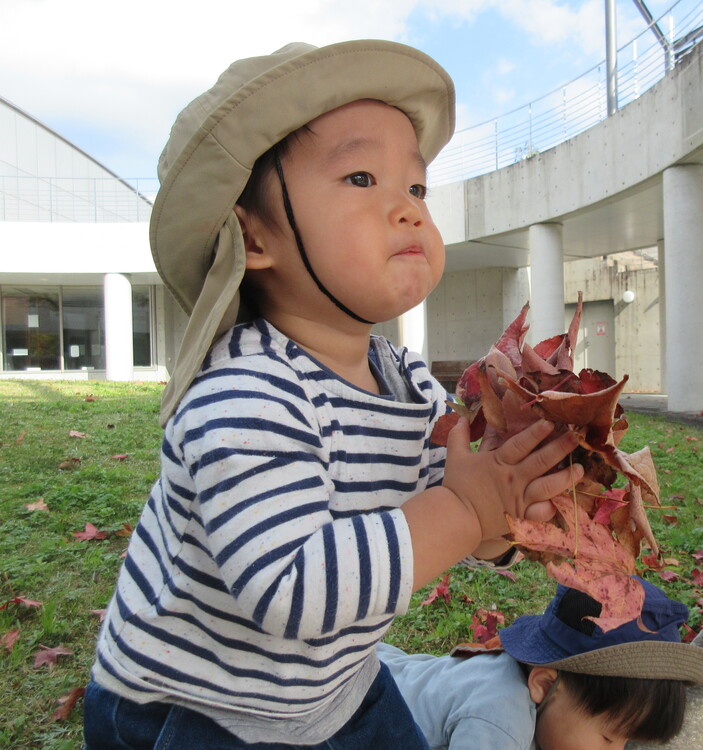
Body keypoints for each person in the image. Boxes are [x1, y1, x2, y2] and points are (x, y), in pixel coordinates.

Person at [83, 40, 582, 749]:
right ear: (252, 237)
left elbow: (463, 504)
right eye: (359, 177)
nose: (408, 211)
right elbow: (292, 587)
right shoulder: (243, 393)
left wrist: (514, 508)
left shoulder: (408, 383)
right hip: (196, 709)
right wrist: (468, 510)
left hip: (335, 688)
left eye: (415, 189)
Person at [378, 578, 703, 750]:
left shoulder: (529, 689)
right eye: (607, 739)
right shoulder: (499, 717)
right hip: (341, 716)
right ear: (543, 684)